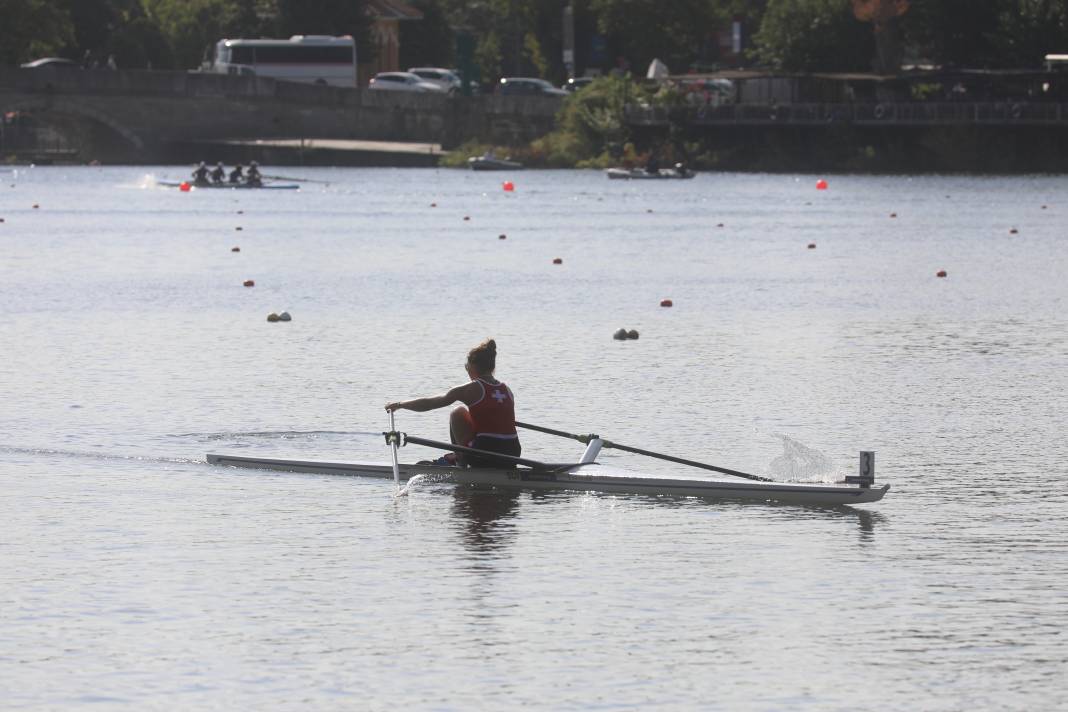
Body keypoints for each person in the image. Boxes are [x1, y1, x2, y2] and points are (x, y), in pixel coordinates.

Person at [385, 339, 521, 468]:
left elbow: (430, 403)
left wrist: (400, 404)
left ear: (473, 366)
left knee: (458, 412)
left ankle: (460, 461)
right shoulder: (507, 390)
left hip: (484, 455)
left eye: (467, 367)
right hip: (513, 454)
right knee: (476, 419)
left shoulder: (471, 389)